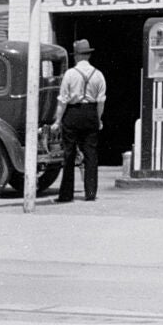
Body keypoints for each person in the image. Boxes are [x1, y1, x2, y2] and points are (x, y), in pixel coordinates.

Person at [54, 39, 106, 203]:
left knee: (69, 154)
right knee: (91, 153)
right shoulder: (98, 75)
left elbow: (63, 100)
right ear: (88, 55)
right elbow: (101, 101)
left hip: (73, 113)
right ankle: (90, 192)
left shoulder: (70, 74)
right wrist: (98, 119)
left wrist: (57, 120)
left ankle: (66, 195)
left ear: (76, 56)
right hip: (90, 112)